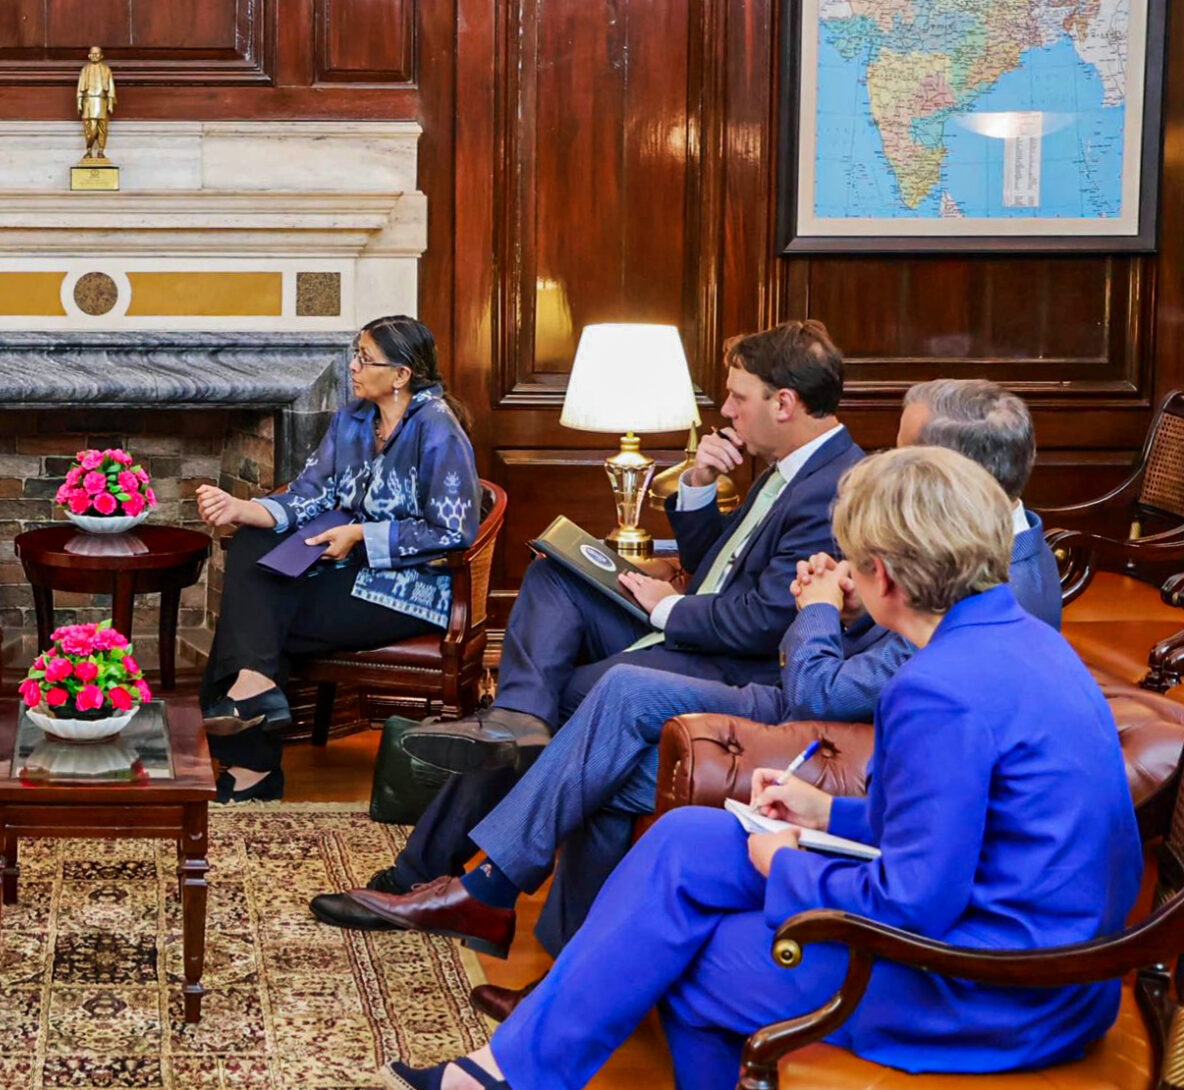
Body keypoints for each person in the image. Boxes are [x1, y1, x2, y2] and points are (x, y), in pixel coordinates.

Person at [392, 446, 1142, 1090]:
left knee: (687, 964)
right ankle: (509, 1069)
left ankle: (518, 1068)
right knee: (688, 835)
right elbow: (959, 826)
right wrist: (827, 816)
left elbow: (915, 904)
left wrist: (785, 862)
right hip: (1047, 963)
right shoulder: (1028, 635)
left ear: (881, 576)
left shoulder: (934, 689)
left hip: (993, 989)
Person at [317, 378, 1062, 996]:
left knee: (603, 733)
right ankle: (527, 932)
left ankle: (503, 915)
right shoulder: (972, 545)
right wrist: (848, 598)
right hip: (794, 687)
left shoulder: (1000, 584)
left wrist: (820, 611)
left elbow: (826, 695)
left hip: (813, 719)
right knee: (614, 702)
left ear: (949, 471)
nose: (890, 457)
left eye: (906, 446)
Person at [363, 321, 862, 892]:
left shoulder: (832, 486)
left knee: (569, 696)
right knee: (555, 575)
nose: (725, 410)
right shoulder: (788, 466)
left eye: (737, 397)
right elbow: (719, 565)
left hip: (727, 663)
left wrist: (667, 609)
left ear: (784, 403)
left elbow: (763, 623)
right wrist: (698, 482)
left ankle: (424, 871)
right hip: (692, 628)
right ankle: (513, 720)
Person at [193, 315, 479, 802]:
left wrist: (362, 535)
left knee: (259, 619)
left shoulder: (438, 429)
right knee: (250, 545)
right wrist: (244, 508)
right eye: (356, 355)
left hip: (411, 587)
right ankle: (256, 689)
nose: (353, 367)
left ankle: (253, 764)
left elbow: (453, 531)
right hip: (345, 569)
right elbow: (309, 493)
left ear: (402, 374)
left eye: (365, 359)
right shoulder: (352, 420)